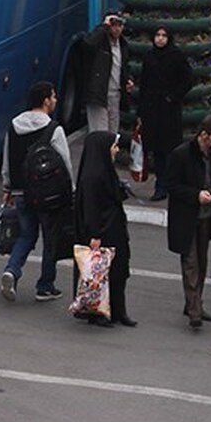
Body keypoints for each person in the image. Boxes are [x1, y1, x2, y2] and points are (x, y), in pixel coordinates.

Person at [0, 80, 74, 302]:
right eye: (53, 96)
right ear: (45, 101)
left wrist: (7, 187)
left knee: (26, 234)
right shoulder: (53, 129)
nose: (55, 100)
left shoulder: (14, 125)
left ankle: (12, 270)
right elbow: (65, 162)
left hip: (21, 191)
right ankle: (45, 286)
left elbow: (7, 158)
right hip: (48, 196)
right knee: (50, 239)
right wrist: (70, 190)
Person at [166, 115, 211, 328]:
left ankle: (194, 302)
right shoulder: (182, 154)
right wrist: (195, 195)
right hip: (186, 215)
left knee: (202, 260)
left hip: (207, 215)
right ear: (204, 135)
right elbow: (172, 186)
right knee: (190, 261)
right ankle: (194, 310)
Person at [74, 131, 135, 327]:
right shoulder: (93, 176)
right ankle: (98, 313)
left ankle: (118, 311)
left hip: (114, 229)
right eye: (113, 146)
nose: (116, 150)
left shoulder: (103, 169)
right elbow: (91, 208)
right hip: (102, 232)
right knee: (101, 275)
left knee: (117, 271)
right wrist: (95, 235)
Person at [137, 25, 194, 201]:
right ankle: (160, 186)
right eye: (157, 35)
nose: (160, 39)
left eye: (163, 35)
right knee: (157, 150)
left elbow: (187, 80)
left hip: (169, 111)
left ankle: (170, 183)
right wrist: (141, 112)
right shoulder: (149, 57)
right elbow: (144, 84)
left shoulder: (176, 56)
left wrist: (173, 97)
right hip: (152, 110)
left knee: (170, 149)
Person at [83, 13, 134, 133]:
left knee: (112, 133)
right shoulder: (99, 43)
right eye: (113, 25)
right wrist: (104, 26)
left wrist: (128, 79)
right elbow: (88, 44)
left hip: (115, 94)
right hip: (98, 94)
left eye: (120, 25)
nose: (116, 29)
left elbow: (123, 67)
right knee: (99, 133)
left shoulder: (122, 45)